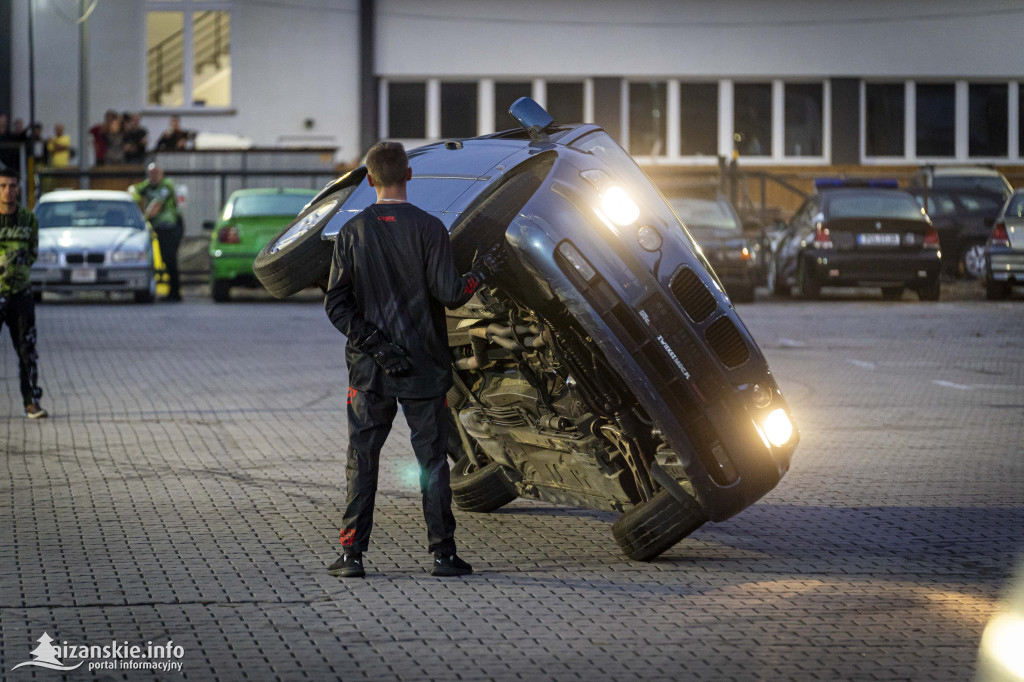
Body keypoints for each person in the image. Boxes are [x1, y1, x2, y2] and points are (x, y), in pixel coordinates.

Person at [323, 141, 502, 579]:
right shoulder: (430, 229)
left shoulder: (352, 231)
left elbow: (337, 306)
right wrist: (485, 270)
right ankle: (443, 556)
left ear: (369, 180)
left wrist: (377, 346)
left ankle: (352, 557)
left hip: (369, 373)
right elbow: (453, 293)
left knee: (361, 462)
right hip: (424, 368)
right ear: (409, 175)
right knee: (433, 463)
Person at [0, 167, 47, 418]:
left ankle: (31, 401)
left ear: (19, 188)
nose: (8, 191)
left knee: (27, 350)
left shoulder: (29, 220)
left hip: (21, 295)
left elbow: (32, 253)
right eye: (3, 186)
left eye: (12, 186)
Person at [130, 163, 183, 301]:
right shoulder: (148, 185)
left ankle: (175, 293)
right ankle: (170, 292)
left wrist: (141, 220)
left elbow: (156, 206)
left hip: (171, 227)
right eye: (151, 174)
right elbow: (134, 190)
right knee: (163, 259)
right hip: (159, 228)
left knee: (170, 259)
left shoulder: (166, 185)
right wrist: (133, 197)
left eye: (156, 174)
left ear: (161, 174)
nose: (153, 177)